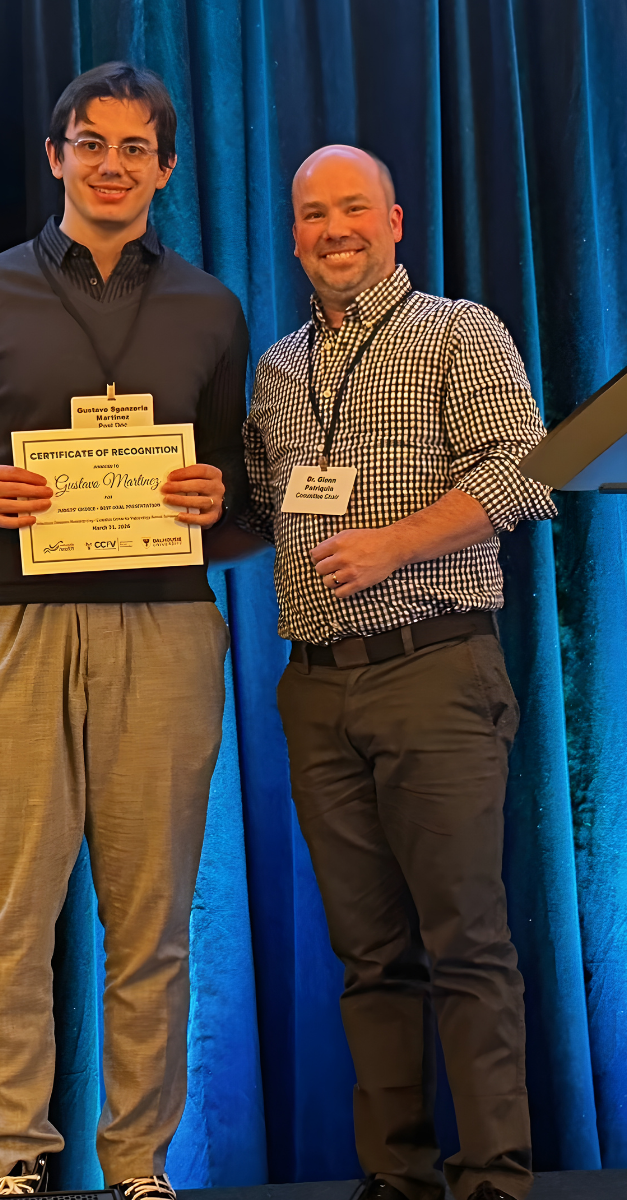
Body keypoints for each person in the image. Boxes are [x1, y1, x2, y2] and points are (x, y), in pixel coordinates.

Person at [0, 61, 248, 1199]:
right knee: (8, 912)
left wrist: (218, 502)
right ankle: (12, 1163)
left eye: (134, 148)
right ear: (57, 157)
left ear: (167, 168)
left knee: (150, 923)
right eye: (89, 144)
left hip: (164, 627)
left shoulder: (210, 306)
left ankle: (139, 1168)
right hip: (8, 625)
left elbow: (236, 488)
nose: (111, 164)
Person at [238, 145, 556, 1200]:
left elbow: (526, 468)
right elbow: (253, 502)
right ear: (293, 234)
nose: (334, 230)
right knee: (369, 955)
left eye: (353, 210)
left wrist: (393, 544)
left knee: (465, 941)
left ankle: (494, 1180)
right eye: (314, 214)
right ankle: (399, 1178)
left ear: (394, 220)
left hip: (435, 669)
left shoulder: (461, 331)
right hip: (315, 687)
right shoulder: (277, 369)